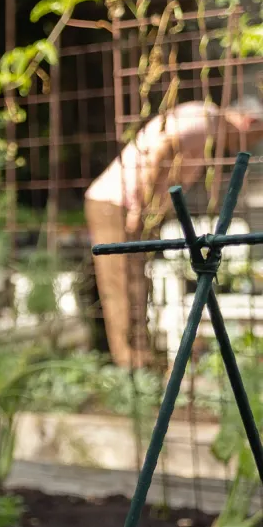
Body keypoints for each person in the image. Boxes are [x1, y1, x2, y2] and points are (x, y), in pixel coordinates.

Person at [83, 99, 262, 367]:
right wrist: (139, 209)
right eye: (257, 136)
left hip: (129, 207)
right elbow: (162, 150)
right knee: (122, 285)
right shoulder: (205, 120)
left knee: (136, 284)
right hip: (118, 204)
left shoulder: (208, 124)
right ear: (250, 122)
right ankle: (130, 368)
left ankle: (139, 362)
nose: (251, 144)